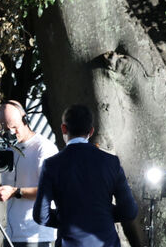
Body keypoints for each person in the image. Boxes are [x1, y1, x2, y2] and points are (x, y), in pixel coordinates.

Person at [32, 104, 138, 247]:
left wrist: (67, 217)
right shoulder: (111, 162)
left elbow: (41, 215)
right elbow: (129, 211)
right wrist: (101, 215)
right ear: (91, 131)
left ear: (64, 128)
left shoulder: (52, 165)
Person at [0, 100, 58, 247]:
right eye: (6, 128)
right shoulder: (10, 150)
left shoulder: (44, 148)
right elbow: (10, 187)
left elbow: (50, 190)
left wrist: (16, 192)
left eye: (14, 127)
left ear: (25, 119)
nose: (11, 133)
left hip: (36, 236)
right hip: (10, 235)